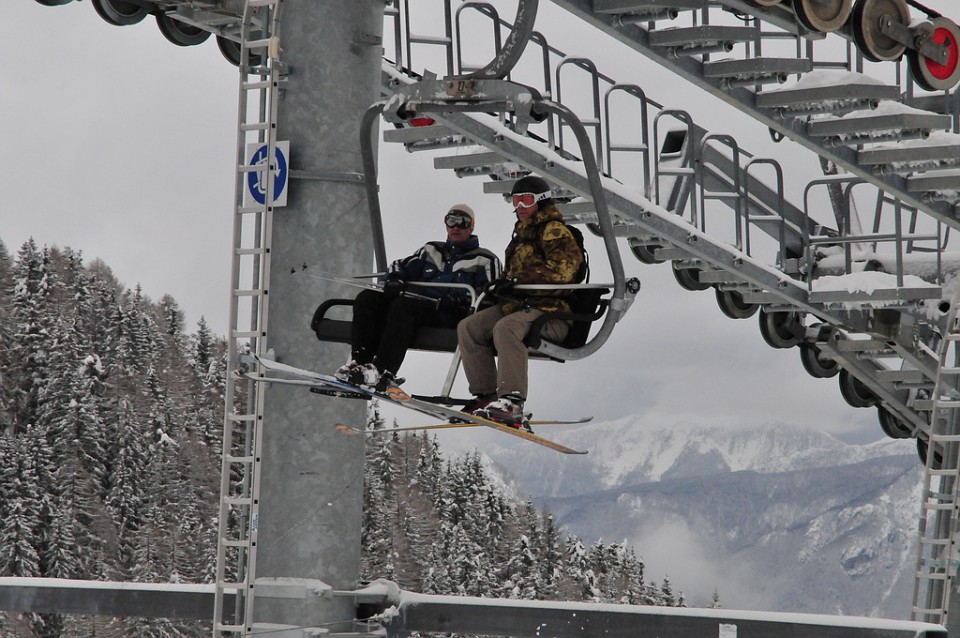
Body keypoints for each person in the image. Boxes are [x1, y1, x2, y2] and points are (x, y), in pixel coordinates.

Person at [456, 175, 585, 429]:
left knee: (506, 328)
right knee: (469, 327)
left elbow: (564, 271)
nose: (521, 206)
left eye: (526, 200)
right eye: (516, 201)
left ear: (541, 201)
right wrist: (498, 285)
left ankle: (512, 402)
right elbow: (512, 274)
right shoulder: (521, 233)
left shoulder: (553, 230)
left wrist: (518, 279)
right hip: (518, 306)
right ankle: (486, 396)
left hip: (551, 312)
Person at [335, 204, 501, 391]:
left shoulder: (485, 260)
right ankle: (360, 362)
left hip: (448, 313)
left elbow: (492, 294)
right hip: (415, 305)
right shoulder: (431, 250)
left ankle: (384, 369)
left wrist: (460, 299)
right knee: (368, 298)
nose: (455, 227)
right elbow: (400, 265)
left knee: (403, 306)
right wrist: (395, 278)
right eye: (451, 221)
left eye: (462, 222)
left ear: (471, 227)